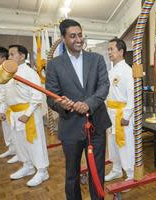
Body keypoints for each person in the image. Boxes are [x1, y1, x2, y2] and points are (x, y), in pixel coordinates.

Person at [45, 19, 111, 200]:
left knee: (97, 172)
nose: (78, 39)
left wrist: (88, 103)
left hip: (96, 124)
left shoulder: (96, 59)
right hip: (71, 127)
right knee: (72, 175)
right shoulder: (54, 65)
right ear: (63, 38)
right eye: (72, 36)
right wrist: (61, 104)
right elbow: (51, 97)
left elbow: (104, 86)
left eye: (80, 35)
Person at [0, 44, 49, 186]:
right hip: (13, 114)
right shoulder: (9, 73)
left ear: (22, 56)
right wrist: (2, 110)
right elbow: (5, 94)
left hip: (29, 114)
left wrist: (27, 114)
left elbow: (37, 95)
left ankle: (42, 170)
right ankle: (27, 165)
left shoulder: (29, 73)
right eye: (9, 54)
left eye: (12, 54)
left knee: (34, 142)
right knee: (20, 142)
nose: (9, 57)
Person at [105, 38, 135, 182]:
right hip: (110, 113)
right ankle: (116, 169)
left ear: (121, 51)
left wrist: (127, 115)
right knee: (112, 143)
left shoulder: (128, 71)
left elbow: (132, 95)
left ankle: (130, 174)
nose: (109, 52)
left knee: (125, 144)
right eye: (108, 49)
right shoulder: (111, 71)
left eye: (112, 49)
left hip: (122, 114)